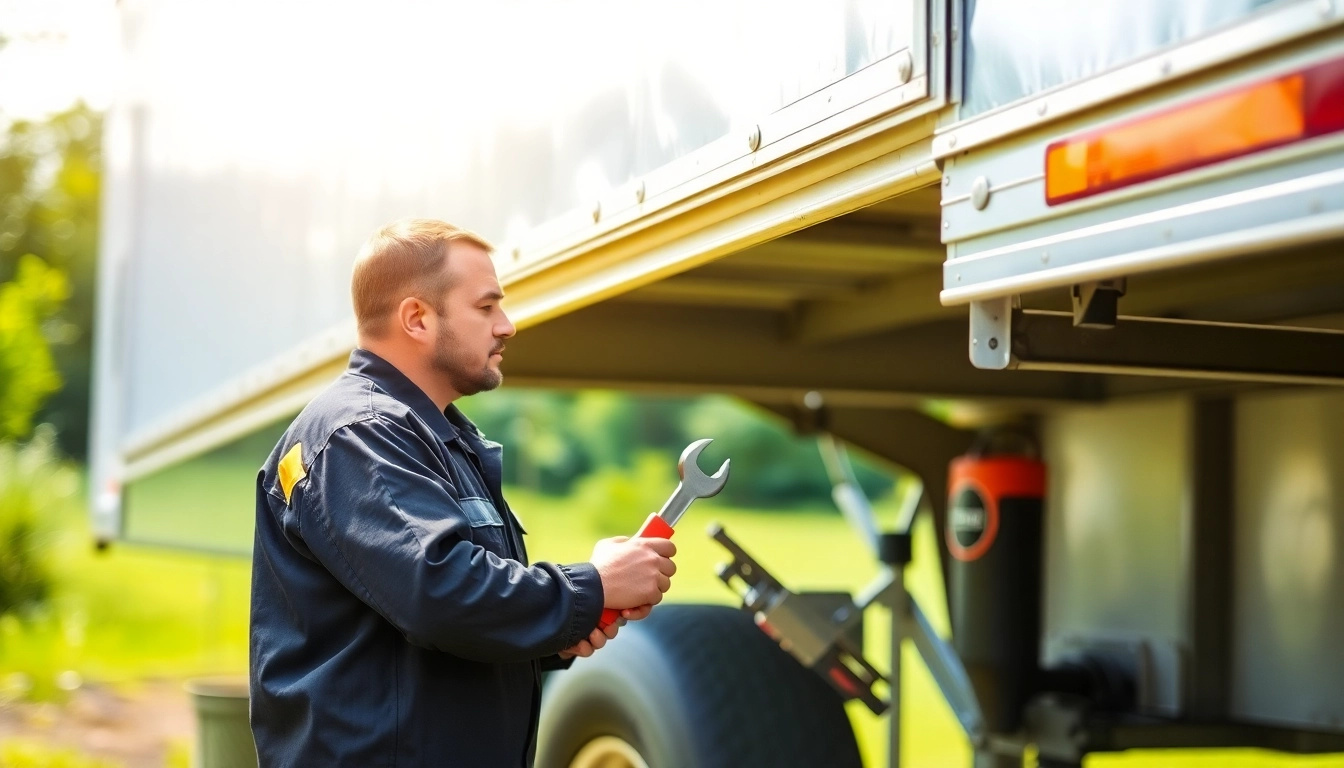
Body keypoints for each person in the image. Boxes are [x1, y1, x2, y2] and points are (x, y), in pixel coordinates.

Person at [249, 218, 677, 766]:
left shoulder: (434, 438)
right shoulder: (359, 435)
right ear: (417, 318)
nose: (507, 326)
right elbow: (439, 592)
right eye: (485, 307)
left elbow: (428, 623)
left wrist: (550, 632)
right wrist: (590, 587)